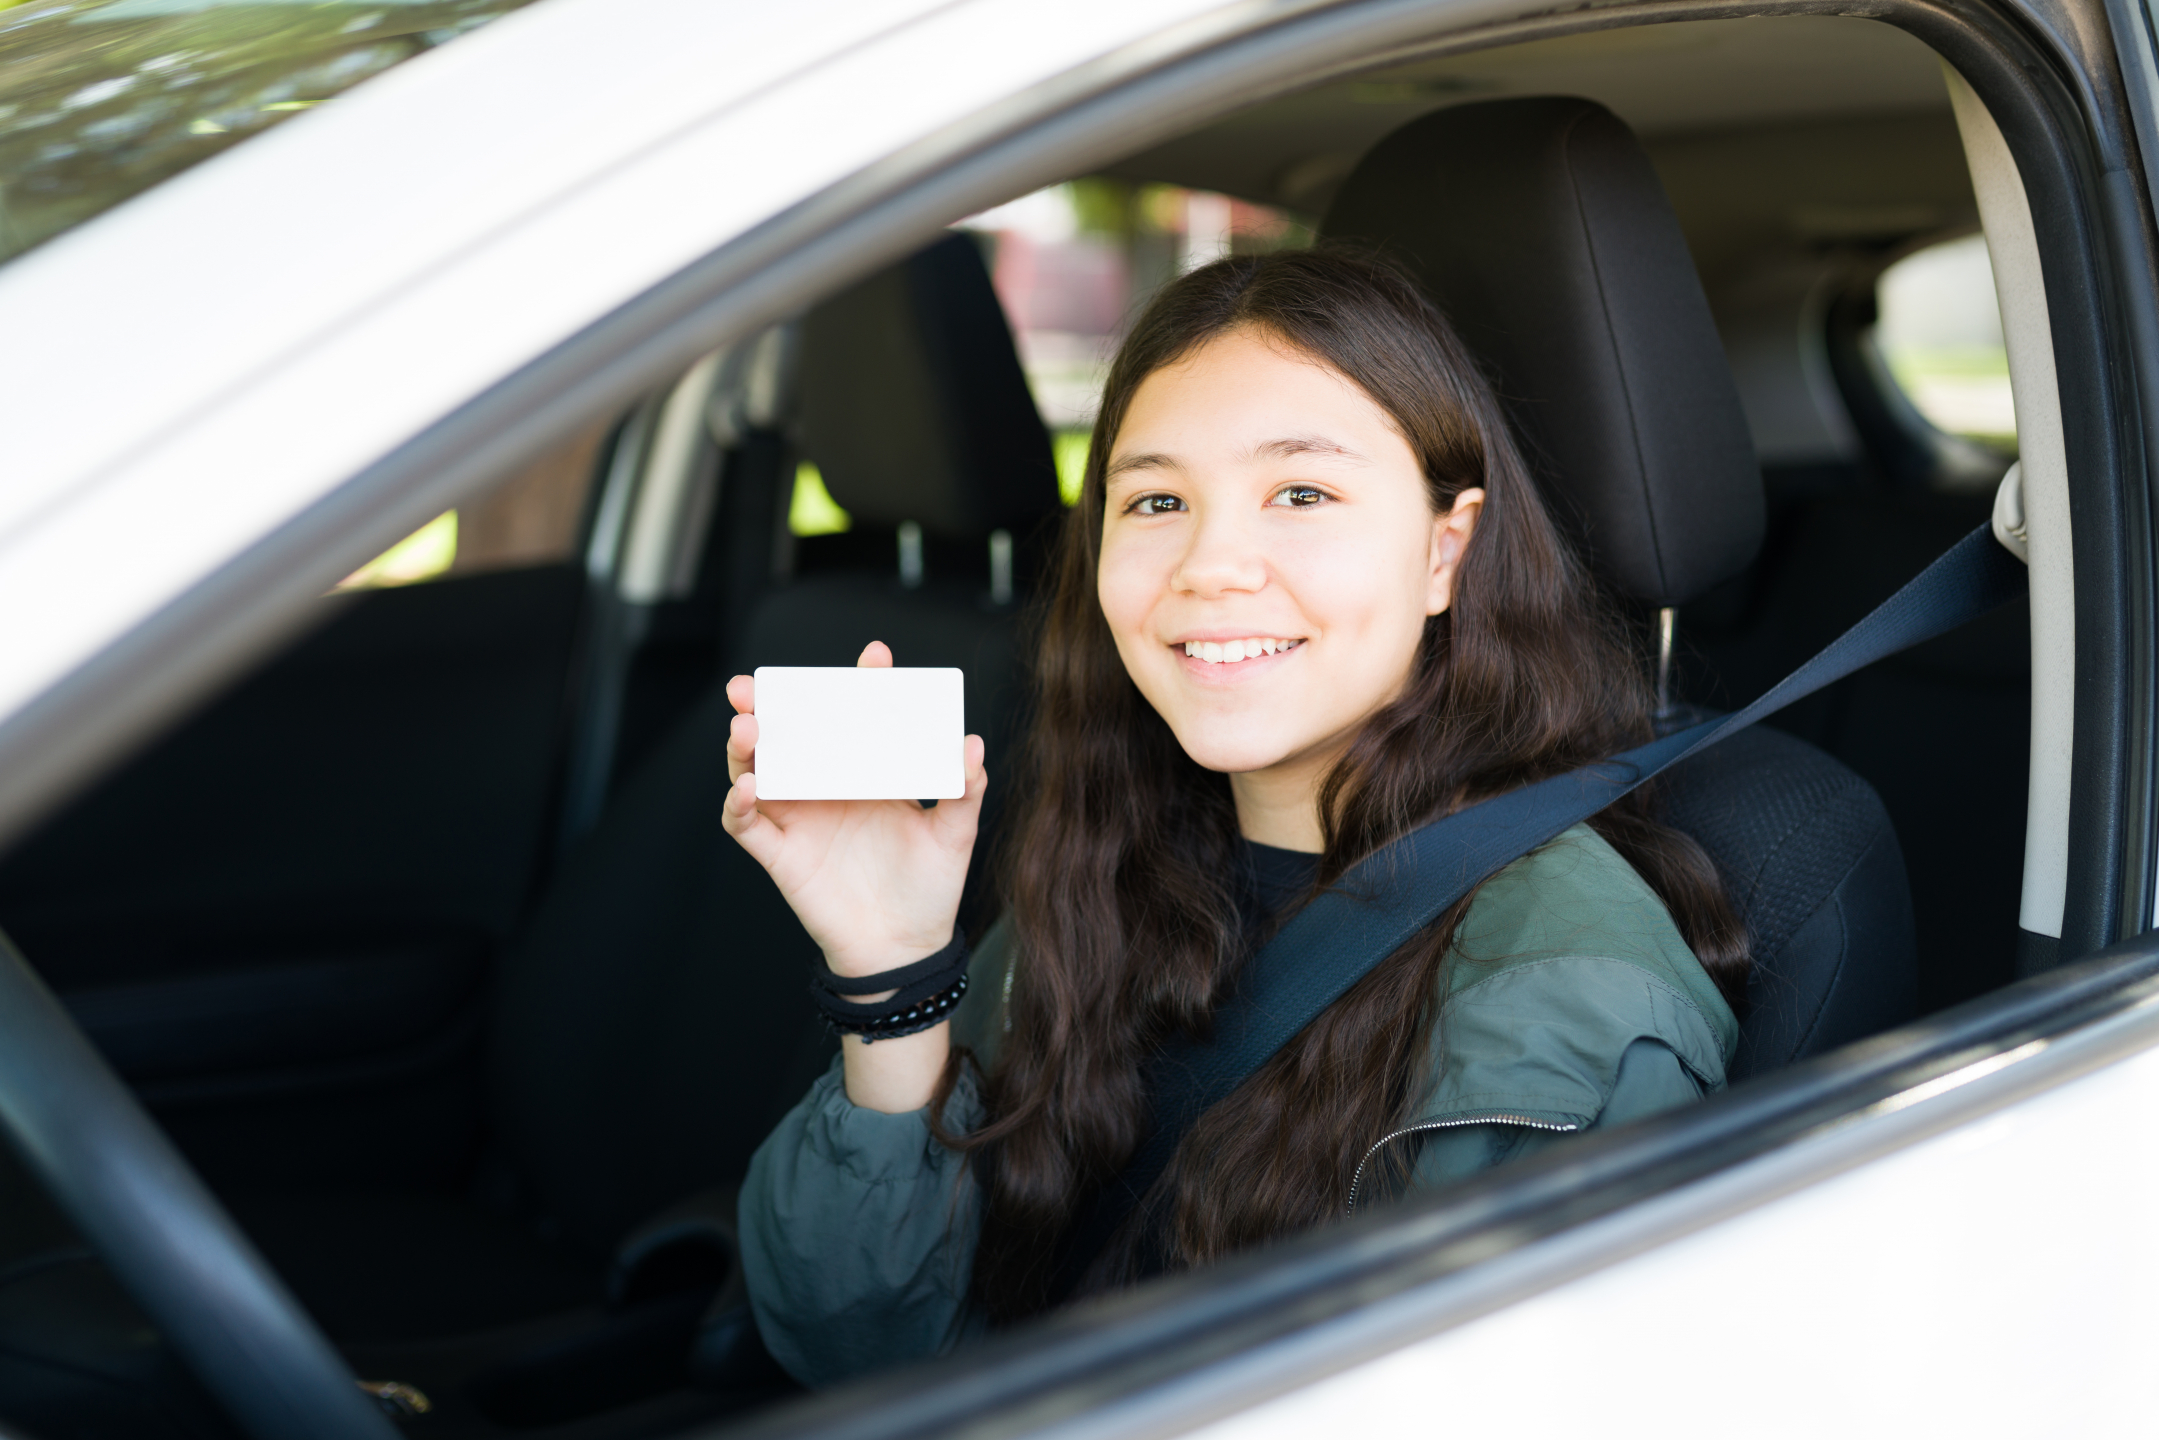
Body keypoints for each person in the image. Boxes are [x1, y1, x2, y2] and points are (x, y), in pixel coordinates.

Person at [722, 246, 1746, 1387]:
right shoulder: (1120, 853)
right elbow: (857, 1348)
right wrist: (894, 977)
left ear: (1443, 553)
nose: (1210, 564)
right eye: (1156, 500)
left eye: (1300, 494)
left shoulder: (1564, 990)